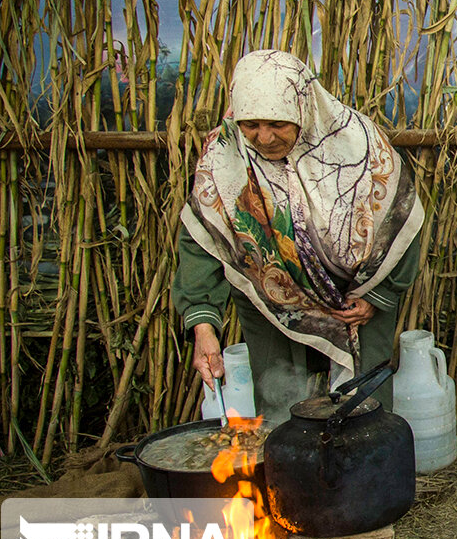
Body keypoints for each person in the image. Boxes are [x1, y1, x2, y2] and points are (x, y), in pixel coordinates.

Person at [173, 50, 425, 419]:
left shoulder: (358, 146)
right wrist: (203, 323)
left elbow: (400, 220)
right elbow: (202, 241)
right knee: (281, 403)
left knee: (362, 404)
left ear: (303, 109)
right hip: (272, 301)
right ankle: (289, 472)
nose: (263, 137)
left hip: (356, 301)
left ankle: (363, 471)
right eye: (250, 124)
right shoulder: (224, 155)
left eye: (277, 123)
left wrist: (379, 295)